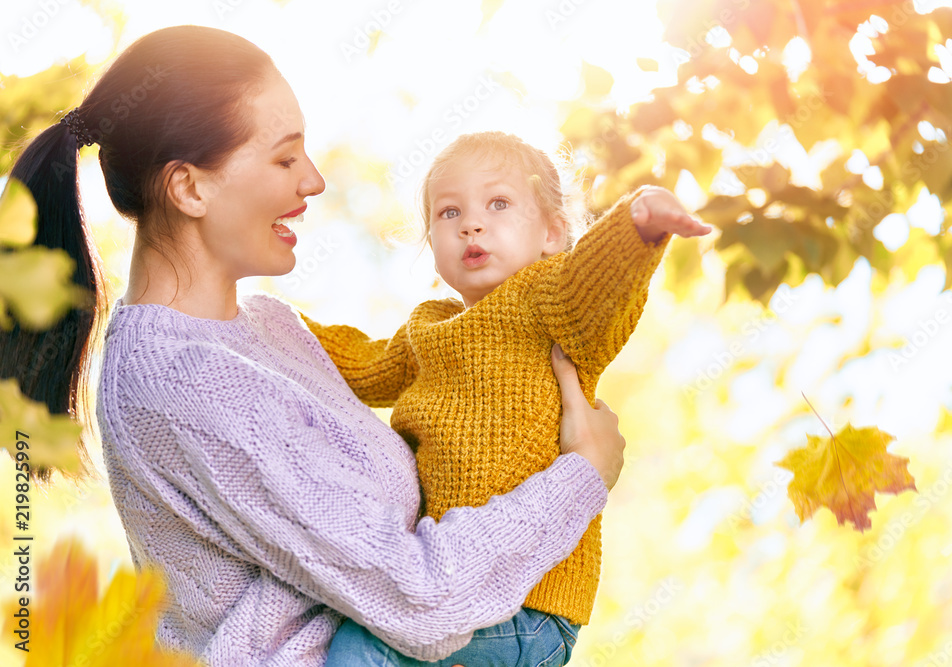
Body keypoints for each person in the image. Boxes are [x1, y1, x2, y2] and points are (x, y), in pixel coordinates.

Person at [1, 25, 629, 667]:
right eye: (284, 158)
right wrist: (584, 475)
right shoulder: (180, 379)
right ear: (190, 188)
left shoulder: (269, 328)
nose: (315, 181)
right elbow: (419, 597)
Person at [305, 132, 711, 665]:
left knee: (360, 651)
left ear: (552, 232)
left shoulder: (547, 301)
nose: (472, 224)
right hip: (458, 588)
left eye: (498, 204)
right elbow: (359, 362)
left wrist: (637, 225)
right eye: (449, 212)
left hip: (529, 606)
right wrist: (277, 327)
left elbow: (595, 282)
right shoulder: (427, 330)